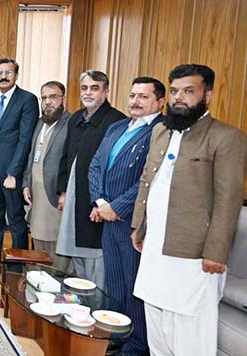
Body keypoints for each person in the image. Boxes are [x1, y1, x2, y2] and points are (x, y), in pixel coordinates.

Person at [132, 64, 247, 355]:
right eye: (174, 91)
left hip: (193, 258)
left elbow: (228, 199)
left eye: (188, 91)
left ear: (207, 96)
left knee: (189, 337)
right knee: (156, 330)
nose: (178, 98)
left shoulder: (225, 137)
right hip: (155, 249)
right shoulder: (161, 131)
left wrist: (216, 253)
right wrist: (139, 227)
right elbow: (148, 182)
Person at [88, 77, 166, 355]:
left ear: (160, 102)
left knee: (134, 288)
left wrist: (116, 208)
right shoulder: (118, 126)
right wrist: (100, 201)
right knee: (115, 283)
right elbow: (95, 164)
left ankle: (136, 347)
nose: (135, 101)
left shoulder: (162, 131)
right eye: (133, 95)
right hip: (108, 217)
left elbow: (150, 178)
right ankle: (117, 337)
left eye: (143, 97)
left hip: (134, 223)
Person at [55, 70, 126, 287]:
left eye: (95, 88)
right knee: (74, 247)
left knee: (93, 255)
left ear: (106, 91)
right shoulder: (76, 118)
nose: (88, 93)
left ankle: (96, 304)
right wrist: (63, 191)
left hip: (96, 199)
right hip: (74, 194)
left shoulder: (117, 121)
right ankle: (80, 297)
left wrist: (100, 201)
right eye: (84, 88)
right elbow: (66, 155)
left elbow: (114, 169)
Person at [0, 58, 39, 280]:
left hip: (12, 173)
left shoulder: (27, 100)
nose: (3, 76)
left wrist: (14, 173)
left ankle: (17, 267)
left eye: (8, 72)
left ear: (16, 75)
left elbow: (25, 139)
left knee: (15, 220)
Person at [22, 81, 73, 274]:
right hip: (37, 193)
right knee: (39, 239)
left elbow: (71, 161)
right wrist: (26, 183)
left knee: (55, 242)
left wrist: (65, 190)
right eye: (44, 98)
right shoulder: (40, 123)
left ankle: (56, 280)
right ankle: (39, 277)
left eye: (53, 97)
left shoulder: (71, 123)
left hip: (55, 194)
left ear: (63, 100)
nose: (48, 102)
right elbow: (30, 156)